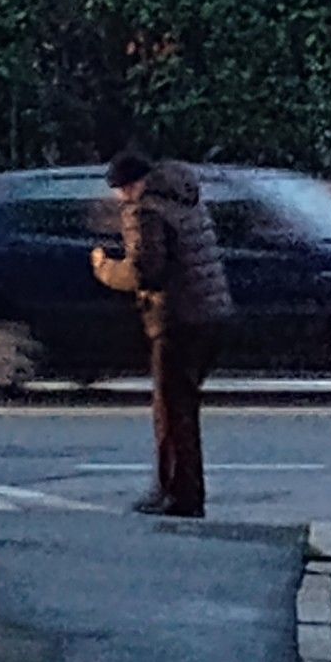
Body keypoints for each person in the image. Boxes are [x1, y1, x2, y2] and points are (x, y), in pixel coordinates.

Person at [90, 148, 230, 517]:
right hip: (209, 315)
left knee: (171, 412)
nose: (119, 199)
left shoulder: (145, 210)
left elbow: (146, 272)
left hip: (176, 319)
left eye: (120, 190)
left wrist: (104, 269)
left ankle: (179, 495)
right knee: (181, 408)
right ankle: (178, 490)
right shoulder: (185, 198)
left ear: (130, 185)